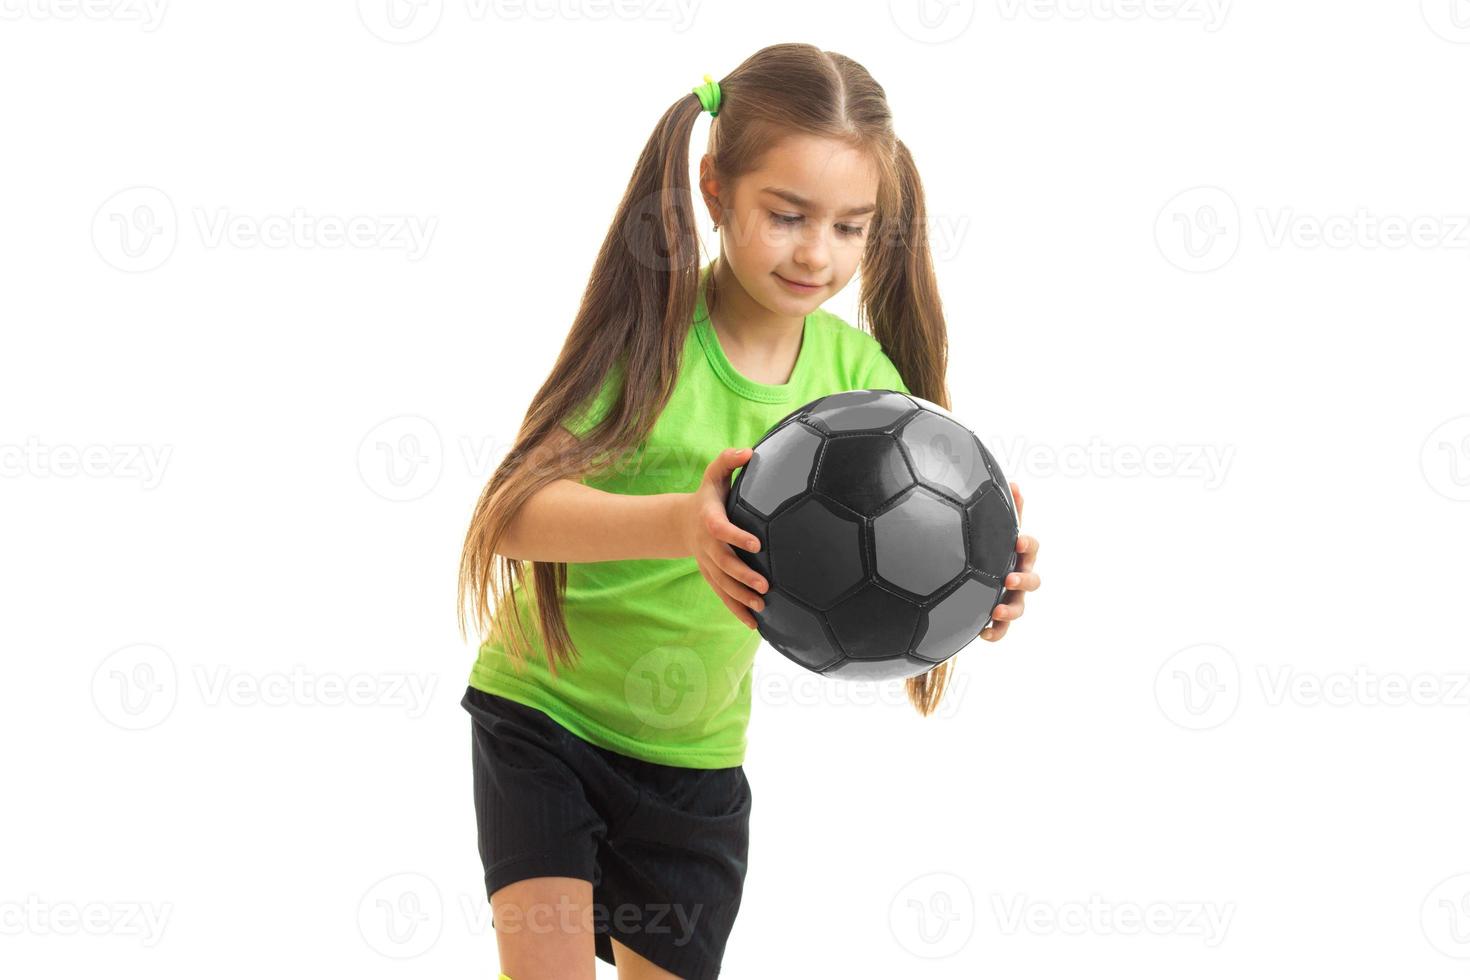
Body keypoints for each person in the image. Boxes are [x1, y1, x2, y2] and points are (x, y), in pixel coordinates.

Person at [456, 42, 1043, 980]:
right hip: (544, 718)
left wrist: (981, 591)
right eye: (787, 215)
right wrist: (681, 526)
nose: (819, 253)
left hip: (693, 758)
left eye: (852, 228)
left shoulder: (862, 389)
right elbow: (513, 516)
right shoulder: (651, 338)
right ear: (715, 191)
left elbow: (915, 545)